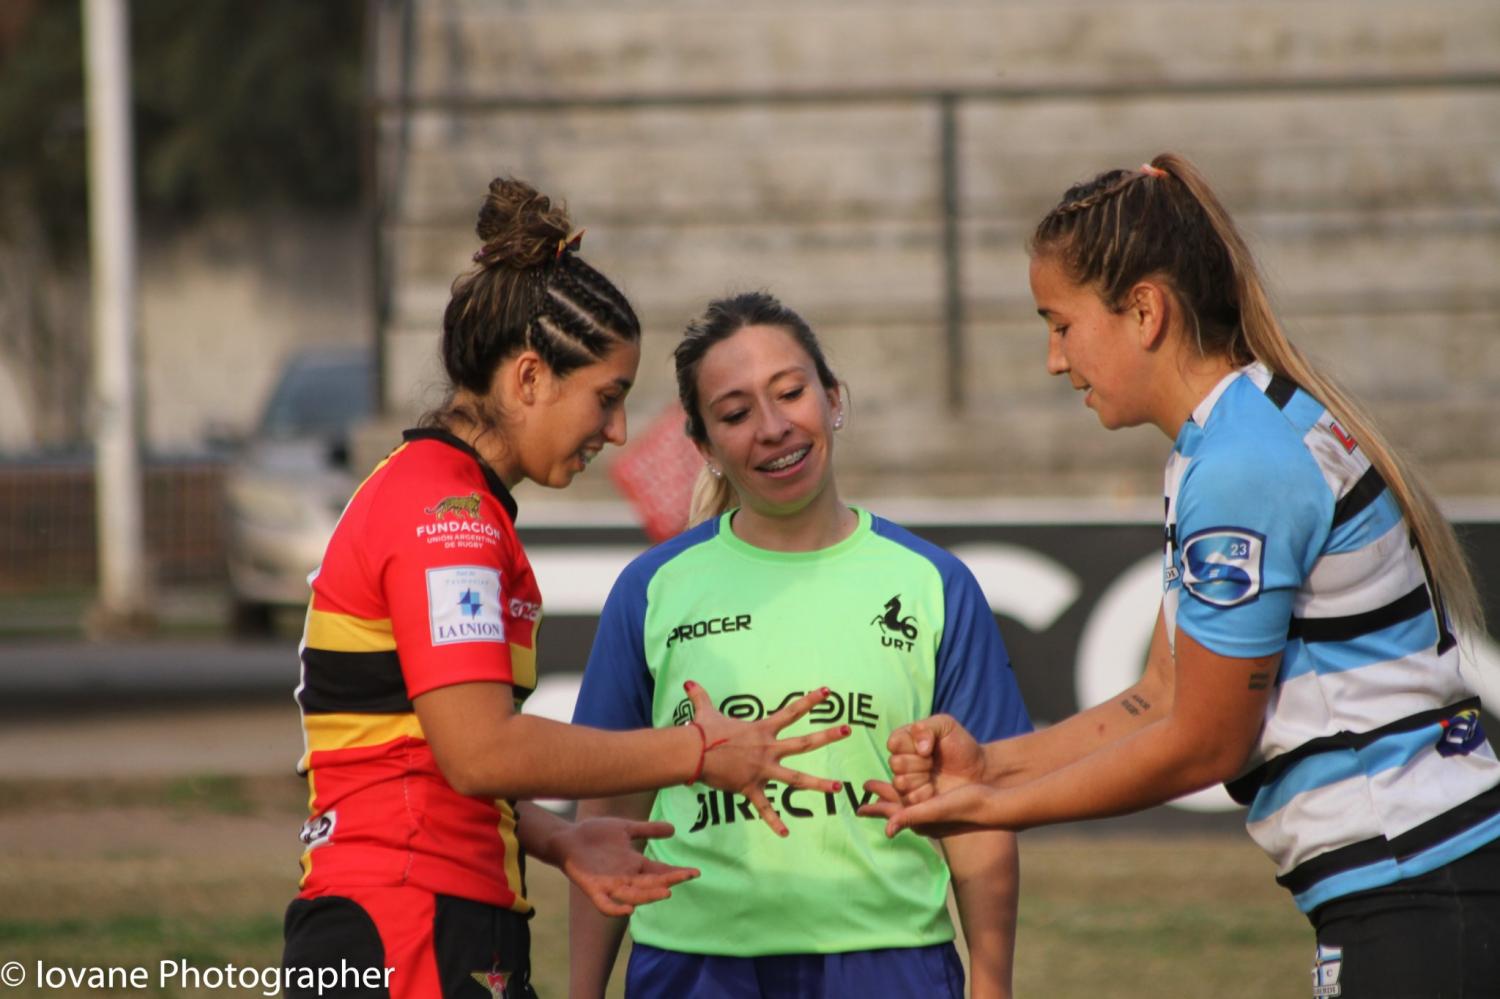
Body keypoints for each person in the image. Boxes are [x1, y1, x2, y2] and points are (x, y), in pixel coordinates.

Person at [864, 153, 1500, 996]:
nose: (1055, 359)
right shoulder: (1228, 435)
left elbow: (1204, 741)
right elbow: (1158, 697)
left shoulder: (1240, 462)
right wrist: (991, 765)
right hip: (1419, 882)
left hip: (1417, 888)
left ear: (1144, 310)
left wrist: (991, 809)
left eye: (1060, 323)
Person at [281, 181, 850, 999]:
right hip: (410, 921)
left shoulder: (437, 493)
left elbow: (413, 755)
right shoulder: (451, 516)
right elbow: (482, 752)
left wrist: (555, 840)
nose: (616, 429)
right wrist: (696, 751)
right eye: (606, 398)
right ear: (527, 378)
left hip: (406, 907)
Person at [568, 292, 1032, 999]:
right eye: (735, 413)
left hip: (891, 961)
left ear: (834, 398)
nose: (774, 427)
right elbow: (609, 813)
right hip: (694, 966)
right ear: (704, 445)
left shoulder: (934, 583)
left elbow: (978, 808)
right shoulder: (652, 588)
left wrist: (992, 984)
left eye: (791, 393)